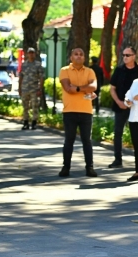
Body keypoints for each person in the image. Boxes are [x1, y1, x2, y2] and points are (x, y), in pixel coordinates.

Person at [58, 48, 98, 178]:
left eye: (81, 54)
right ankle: (66, 167)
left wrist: (79, 88)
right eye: (76, 54)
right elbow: (68, 88)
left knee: (87, 141)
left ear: (84, 58)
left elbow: (93, 87)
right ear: (71, 57)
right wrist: (86, 89)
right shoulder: (64, 71)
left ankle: (90, 167)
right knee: (69, 140)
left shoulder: (90, 71)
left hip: (86, 111)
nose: (79, 56)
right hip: (70, 111)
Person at [109, 46, 138, 168]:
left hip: (136, 108)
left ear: (134, 56)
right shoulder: (119, 70)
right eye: (123, 55)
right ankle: (118, 159)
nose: (125, 57)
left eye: (127, 55)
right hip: (120, 107)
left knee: (137, 134)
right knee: (118, 133)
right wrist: (118, 102)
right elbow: (112, 88)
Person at [18, 48, 43, 130]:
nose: (31, 54)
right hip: (25, 89)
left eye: (32, 53)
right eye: (29, 53)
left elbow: (41, 78)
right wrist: (19, 88)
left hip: (34, 89)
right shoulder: (24, 65)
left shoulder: (38, 65)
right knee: (25, 106)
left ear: (35, 54)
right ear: (27, 54)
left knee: (34, 106)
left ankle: (34, 123)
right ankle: (25, 123)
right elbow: (21, 77)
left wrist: (40, 89)